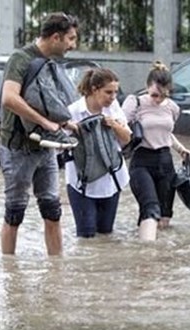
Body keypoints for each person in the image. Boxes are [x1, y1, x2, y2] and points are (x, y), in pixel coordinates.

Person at [0, 12, 80, 257]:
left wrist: (65, 123)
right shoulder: (20, 59)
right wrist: (45, 123)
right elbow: (9, 98)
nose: (73, 45)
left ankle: (56, 269)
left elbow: (47, 102)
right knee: (15, 212)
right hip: (18, 148)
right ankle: (9, 271)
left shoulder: (51, 63)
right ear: (55, 37)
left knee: (52, 210)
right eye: (70, 39)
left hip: (46, 147)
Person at [122, 62, 190, 241]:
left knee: (164, 217)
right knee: (150, 208)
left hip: (165, 161)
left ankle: (159, 254)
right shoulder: (135, 103)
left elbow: (166, 133)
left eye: (163, 95)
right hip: (141, 161)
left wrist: (181, 149)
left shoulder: (173, 108)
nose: (158, 99)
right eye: (154, 95)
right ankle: (148, 252)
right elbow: (121, 129)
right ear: (147, 87)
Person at [65, 67, 131, 238]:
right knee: (86, 236)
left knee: (105, 235)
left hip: (111, 181)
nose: (113, 97)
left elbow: (126, 139)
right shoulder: (73, 111)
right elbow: (60, 146)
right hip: (81, 184)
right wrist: (73, 130)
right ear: (94, 89)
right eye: (108, 92)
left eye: (115, 92)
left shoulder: (113, 108)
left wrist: (114, 125)